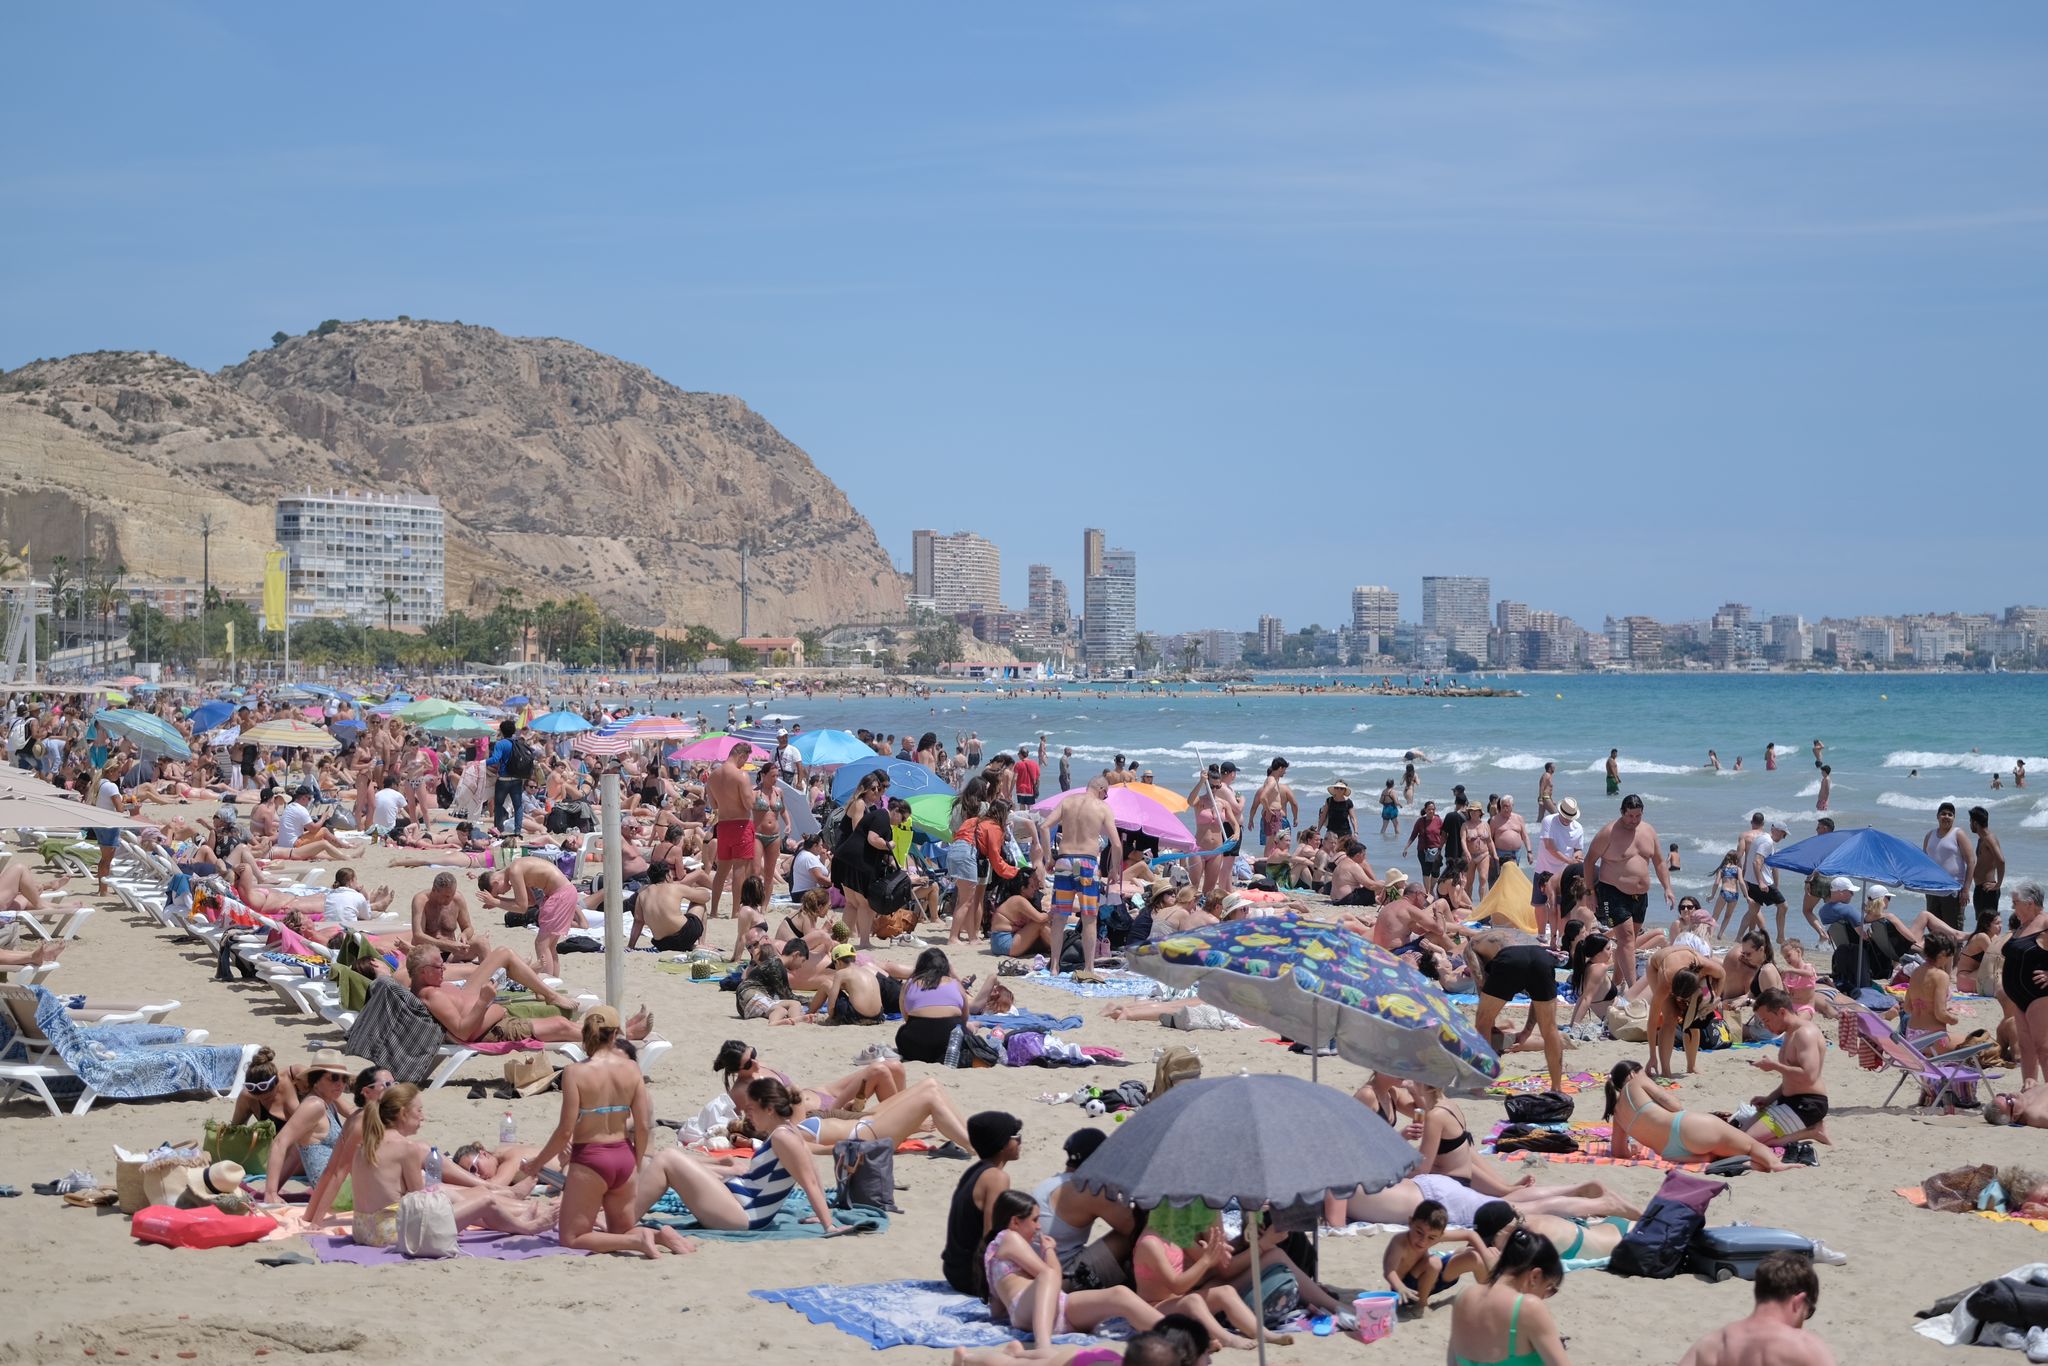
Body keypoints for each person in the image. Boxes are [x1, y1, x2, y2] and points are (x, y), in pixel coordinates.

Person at [515, 1005, 694, 1259]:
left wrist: (537, 1163)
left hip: (591, 1159)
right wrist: (637, 1162)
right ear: (615, 1035)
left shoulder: (575, 1072)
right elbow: (643, 1125)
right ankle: (659, 1235)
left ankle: (641, 1241)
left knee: (572, 1237)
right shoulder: (632, 1069)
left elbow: (565, 1130)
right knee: (620, 1232)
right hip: (623, 1157)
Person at [348, 1083, 557, 1248]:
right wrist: (461, 1205)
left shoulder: (365, 1145)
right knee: (484, 1199)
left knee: (459, 1196)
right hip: (391, 1233)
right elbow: (420, 1201)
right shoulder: (406, 1148)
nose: (423, 1116)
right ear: (403, 1114)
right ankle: (526, 1227)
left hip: (362, 1230)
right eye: (418, 1110)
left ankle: (518, 1214)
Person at [981, 1190, 1167, 1351]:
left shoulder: (993, 1255)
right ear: (1015, 1222)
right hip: (1029, 1309)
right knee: (1047, 1275)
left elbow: (997, 1308)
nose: (1039, 1226)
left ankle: (1175, 1335)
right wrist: (1049, 1251)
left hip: (1049, 1310)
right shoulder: (1008, 1238)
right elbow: (1051, 1274)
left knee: (1120, 1295)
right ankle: (1043, 1346)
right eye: (1035, 1220)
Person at [408, 943, 649, 1045]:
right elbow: (462, 1031)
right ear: (422, 972)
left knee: (503, 953)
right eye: (438, 967)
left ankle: (550, 994)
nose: (443, 969)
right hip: (489, 1028)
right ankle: (621, 1037)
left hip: (481, 1010)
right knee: (559, 1025)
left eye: (442, 965)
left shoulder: (434, 986)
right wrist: (484, 1002)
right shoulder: (431, 995)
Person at [1606, 1061, 1785, 1171]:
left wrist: (1634, 1150)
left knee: (1716, 1155)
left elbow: (1619, 1152)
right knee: (1750, 1145)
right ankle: (1776, 1165)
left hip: (1671, 1153)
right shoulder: (1637, 1082)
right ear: (1632, 1074)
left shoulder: (1618, 1113)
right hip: (1686, 1128)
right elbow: (1676, 1106)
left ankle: (1722, 1160)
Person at [1582, 794, 1673, 994]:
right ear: (1622, 813)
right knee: (1626, 938)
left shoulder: (1648, 831)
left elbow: (1658, 861)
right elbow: (1589, 861)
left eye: (1638, 816)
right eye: (1630, 816)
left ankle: (1616, 982)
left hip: (1640, 895)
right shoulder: (1609, 832)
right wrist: (1590, 892)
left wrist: (1667, 887)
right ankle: (1633, 989)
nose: (1634, 820)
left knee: (1629, 942)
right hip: (1613, 892)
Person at [1679, 1251, 1835, 1365]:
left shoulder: (1713, 1344)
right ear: (1799, 1301)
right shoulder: (1806, 1348)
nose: (1802, 1324)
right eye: (1807, 1314)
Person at [1445, 1227, 1571, 1366]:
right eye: (1549, 1289)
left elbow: (1453, 1362)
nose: (1545, 1296)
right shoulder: (1529, 1307)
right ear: (1535, 1276)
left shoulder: (1463, 1296)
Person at [1035, 1129, 1138, 1291]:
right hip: (1060, 1280)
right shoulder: (1087, 1189)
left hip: (1038, 1275)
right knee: (1131, 1236)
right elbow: (1133, 1227)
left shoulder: (1053, 1182)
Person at [1465, 929, 1565, 1094]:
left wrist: (1490, 1022)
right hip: (1541, 955)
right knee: (1549, 1028)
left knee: (1482, 1021)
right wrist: (1527, 1031)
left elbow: (1480, 980)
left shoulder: (1472, 944)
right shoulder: (1520, 935)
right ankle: (1557, 1088)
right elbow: (1536, 998)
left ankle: (1478, 1086)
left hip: (1510, 958)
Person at [1043, 777, 1124, 975]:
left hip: (1064, 861)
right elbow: (1117, 844)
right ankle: (1089, 967)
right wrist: (1114, 869)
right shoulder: (1102, 808)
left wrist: (1048, 859)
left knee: (1060, 916)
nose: (1106, 797)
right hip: (1085, 863)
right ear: (1101, 789)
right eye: (1106, 794)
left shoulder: (1068, 801)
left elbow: (1044, 826)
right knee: (1089, 917)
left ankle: (1054, 966)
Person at [941, 1112, 1024, 1294]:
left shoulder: (975, 1170)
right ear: (1002, 1144)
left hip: (953, 1269)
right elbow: (993, 1235)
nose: (1020, 1142)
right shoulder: (997, 1178)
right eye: (1016, 1137)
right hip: (971, 1278)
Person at [1738, 988, 1831, 1148]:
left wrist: (1775, 1066)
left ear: (1781, 1012)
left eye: (1766, 1020)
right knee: (1739, 1135)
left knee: (1746, 1143)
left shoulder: (1805, 1034)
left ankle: (1812, 1131)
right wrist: (1769, 1098)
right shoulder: (1790, 1032)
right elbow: (1791, 1079)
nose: (1766, 1027)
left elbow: (1809, 1076)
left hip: (1808, 1104)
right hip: (1787, 1100)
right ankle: (1811, 1129)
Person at [261, 1049, 356, 1199]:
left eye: (344, 1079)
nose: (340, 1084)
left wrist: (275, 1189)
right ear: (316, 1080)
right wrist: (270, 1192)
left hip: (336, 1187)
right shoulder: (314, 1106)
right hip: (335, 1192)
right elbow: (280, 1142)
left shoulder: (327, 1102)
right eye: (334, 1078)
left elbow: (296, 1153)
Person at [476, 854, 581, 976]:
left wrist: (496, 901)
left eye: (499, 892)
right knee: (549, 946)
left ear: (495, 883)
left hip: (559, 895)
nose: (503, 892)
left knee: (541, 944)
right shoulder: (515, 867)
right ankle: (554, 981)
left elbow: (522, 908)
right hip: (565, 892)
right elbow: (530, 902)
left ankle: (547, 983)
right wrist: (499, 902)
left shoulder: (515, 871)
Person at [1383, 1199, 1491, 1311]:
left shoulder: (1434, 1235)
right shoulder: (1400, 1242)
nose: (1423, 1241)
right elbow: (1389, 1271)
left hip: (1431, 1279)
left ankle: (1490, 1296)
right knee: (1434, 1261)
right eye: (1419, 1232)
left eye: (1431, 1238)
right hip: (1407, 1292)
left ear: (1440, 1235)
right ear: (1410, 1223)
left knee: (1473, 1255)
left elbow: (1470, 1234)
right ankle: (1422, 1305)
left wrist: (1488, 1257)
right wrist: (1400, 1287)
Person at [1645, 944, 1725, 1076]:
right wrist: (1652, 1055)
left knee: (1694, 1014)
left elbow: (1722, 975)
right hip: (1657, 966)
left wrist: (1716, 997)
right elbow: (1652, 1022)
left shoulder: (1704, 968)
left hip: (1691, 972)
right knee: (1670, 1016)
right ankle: (1666, 1070)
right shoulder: (1665, 982)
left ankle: (1691, 1065)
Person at [1472, 1200, 1630, 1267]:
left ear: (1506, 1230)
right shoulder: (1525, 1221)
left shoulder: (1536, 1235)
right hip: (1606, 1227)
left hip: (1622, 1239)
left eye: (1492, 1241)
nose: (1492, 1246)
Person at [1998, 878, 2048, 1087]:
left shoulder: (2045, 923)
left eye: (2015, 902)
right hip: (2019, 997)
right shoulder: (2021, 925)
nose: (2012, 907)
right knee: (2025, 1045)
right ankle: (2029, 1088)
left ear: (2030, 903)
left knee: (2043, 1046)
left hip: (2038, 994)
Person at [706, 741, 757, 922]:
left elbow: (713, 805)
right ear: (741, 755)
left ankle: (713, 910)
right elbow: (748, 804)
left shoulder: (713, 776)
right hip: (741, 824)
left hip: (723, 825)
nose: (744, 763)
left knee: (722, 870)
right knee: (739, 869)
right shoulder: (741, 776)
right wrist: (755, 795)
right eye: (745, 759)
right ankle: (736, 911)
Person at [624, 862, 711, 952]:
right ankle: (702, 943)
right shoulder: (675, 887)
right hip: (686, 935)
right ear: (667, 876)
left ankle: (695, 945)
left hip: (662, 944)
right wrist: (701, 890)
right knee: (699, 903)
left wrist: (631, 946)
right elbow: (705, 898)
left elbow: (638, 922)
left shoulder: (642, 892)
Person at [410, 872, 489, 963]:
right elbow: (418, 936)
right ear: (434, 890)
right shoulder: (421, 900)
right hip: (430, 953)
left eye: (452, 894)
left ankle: (489, 976)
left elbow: (468, 927)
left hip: (453, 952)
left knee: (482, 942)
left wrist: (464, 935)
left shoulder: (457, 899)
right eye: (446, 896)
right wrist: (448, 945)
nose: (450, 899)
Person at [1921, 801, 1974, 932]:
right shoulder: (1930, 835)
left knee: (1953, 930)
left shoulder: (1958, 834)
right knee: (1934, 929)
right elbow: (1924, 862)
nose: (1946, 817)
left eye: (1950, 814)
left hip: (1953, 890)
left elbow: (1971, 861)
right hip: (1932, 890)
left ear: (1954, 818)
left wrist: (1966, 889)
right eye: (1943, 814)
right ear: (1937, 816)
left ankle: (1956, 953)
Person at [989, 865, 1053, 959]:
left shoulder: (1022, 900)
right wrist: (1056, 911)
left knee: (1042, 937)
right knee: (1039, 924)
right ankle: (1061, 949)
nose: (1035, 888)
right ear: (1023, 889)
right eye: (1031, 886)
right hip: (1004, 942)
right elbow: (1040, 918)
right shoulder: (1018, 900)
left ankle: (1059, 946)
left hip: (1003, 942)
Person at [485, 720, 531, 836]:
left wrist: (481, 762)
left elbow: (495, 760)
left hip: (503, 780)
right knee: (518, 806)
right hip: (517, 779)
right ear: (514, 731)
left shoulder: (500, 744)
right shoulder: (519, 742)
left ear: (501, 731)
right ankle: (517, 831)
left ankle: (498, 830)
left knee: (499, 805)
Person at [1970, 806, 2006, 926]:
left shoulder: (1989, 838)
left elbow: (2001, 861)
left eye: (1970, 821)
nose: (1970, 824)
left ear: (1975, 823)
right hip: (1981, 889)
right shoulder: (1982, 839)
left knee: (1988, 926)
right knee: (1982, 925)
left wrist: (1998, 884)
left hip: (1988, 890)